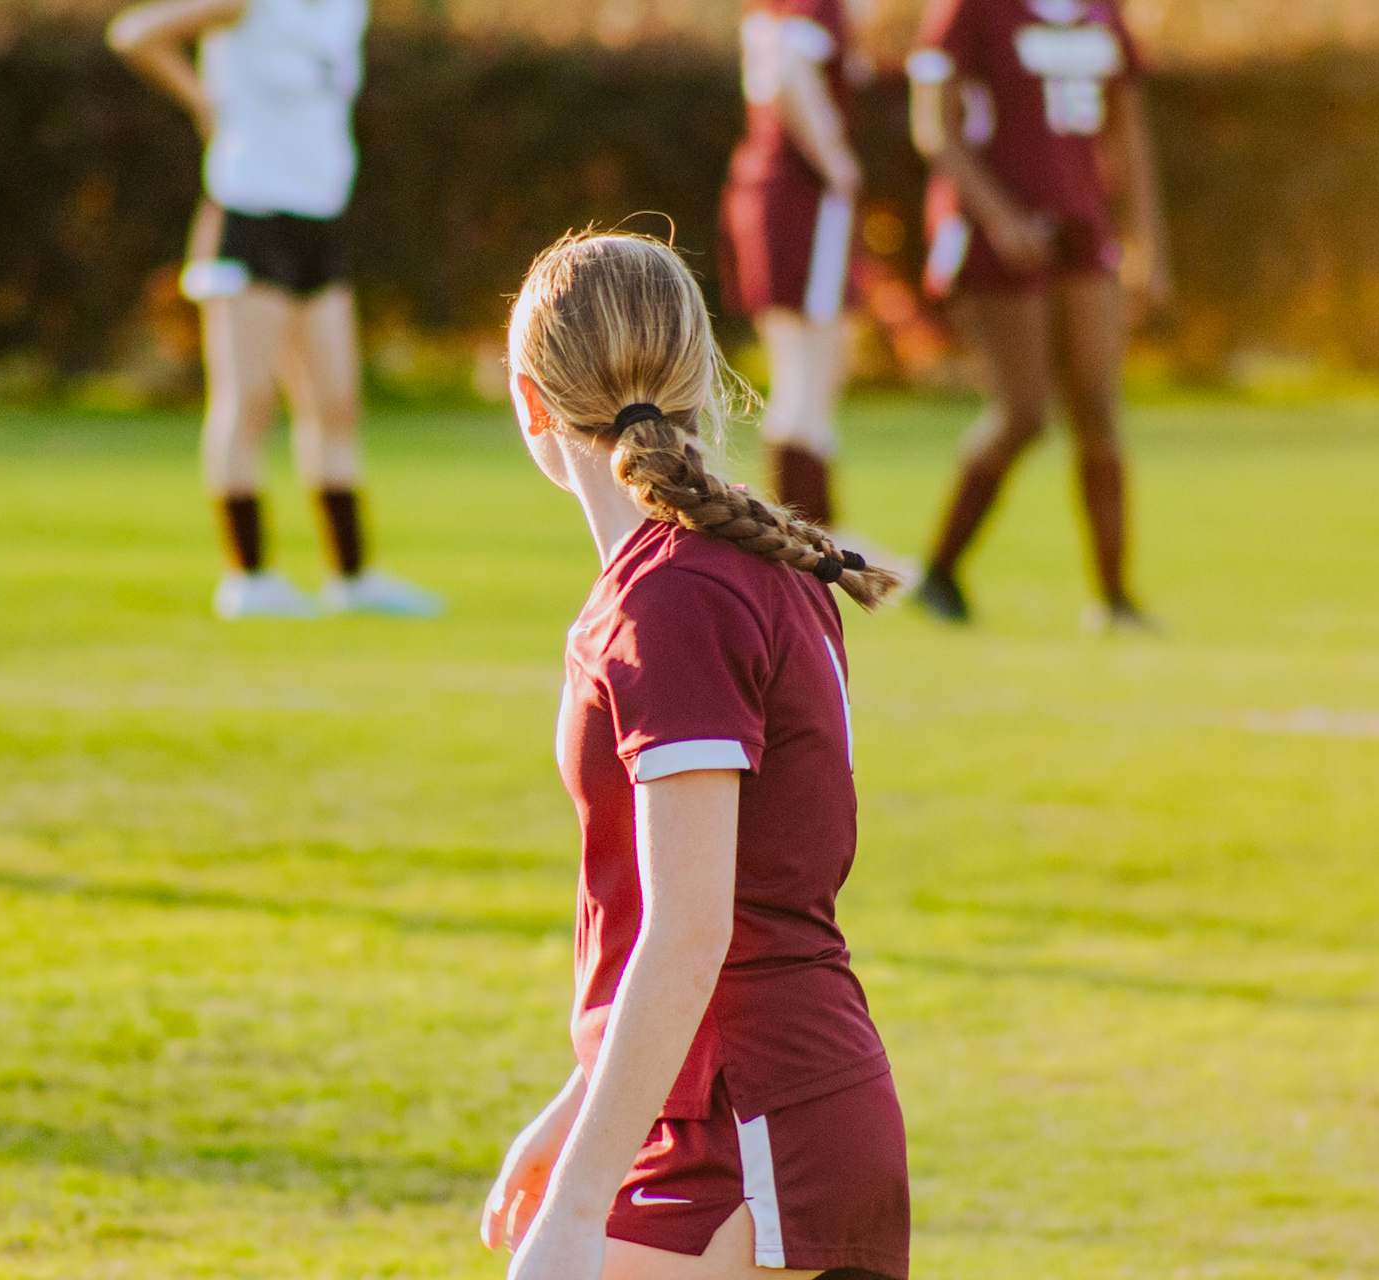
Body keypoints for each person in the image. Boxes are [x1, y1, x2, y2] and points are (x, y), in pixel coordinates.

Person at [481, 231, 910, 1280]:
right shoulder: (726, 568)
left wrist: (579, 1206)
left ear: (531, 403)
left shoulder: (672, 598)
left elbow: (693, 926)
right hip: (758, 1110)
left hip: (751, 1126)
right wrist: (575, 1111)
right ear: (700, 377)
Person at [108, 0, 440, 618]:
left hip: (319, 219)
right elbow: (134, 34)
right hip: (250, 215)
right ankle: (249, 578)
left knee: (336, 403)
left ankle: (351, 578)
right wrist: (202, 101)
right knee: (250, 399)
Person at [905, 0, 1170, 628]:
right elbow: (935, 128)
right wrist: (1001, 218)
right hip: (996, 233)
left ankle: (1115, 598)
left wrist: (1148, 242)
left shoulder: (1103, 12)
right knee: (1023, 413)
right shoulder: (969, 11)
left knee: (1097, 406)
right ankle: (940, 571)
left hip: (1083, 226)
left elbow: (1128, 133)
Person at [718, 0, 867, 533]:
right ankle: (814, 534)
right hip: (803, 197)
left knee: (799, 374)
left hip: (765, 192)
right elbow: (789, 72)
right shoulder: (815, 7)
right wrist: (834, 156)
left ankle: (799, 532)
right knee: (812, 373)